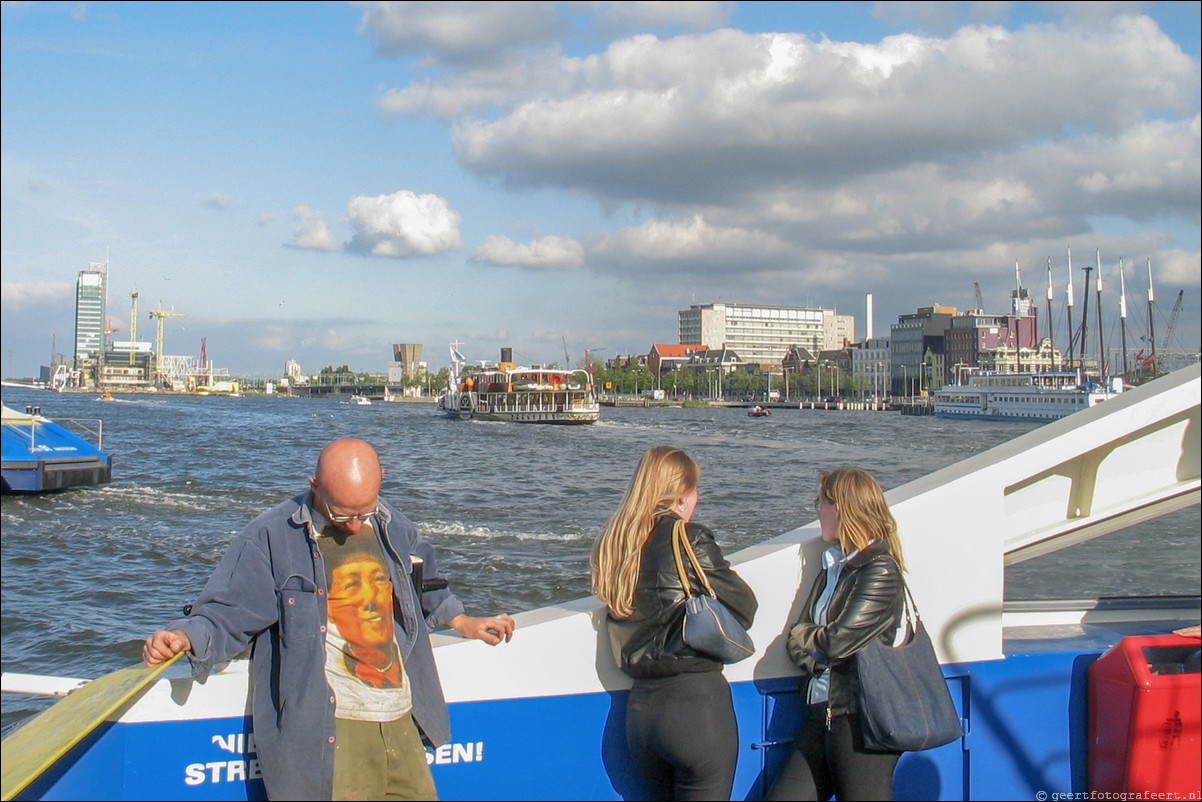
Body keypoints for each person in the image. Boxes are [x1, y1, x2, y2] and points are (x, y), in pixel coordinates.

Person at [143, 438, 516, 801]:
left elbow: (426, 583)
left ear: (381, 480)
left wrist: (462, 620)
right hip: (333, 731)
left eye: (363, 512)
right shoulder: (270, 537)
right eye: (341, 514)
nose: (354, 525)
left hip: (403, 718)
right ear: (314, 486)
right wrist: (184, 637)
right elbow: (227, 612)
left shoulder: (392, 525)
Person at [591, 446, 757, 801]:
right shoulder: (688, 537)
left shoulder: (616, 544)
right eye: (695, 490)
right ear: (681, 496)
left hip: (641, 715)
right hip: (696, 706)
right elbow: (744, 607)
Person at [765, 468, 906, 801]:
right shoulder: (833, 567)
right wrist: (817, 655)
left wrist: (814, 641)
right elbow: (795, 640)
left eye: (821, 503)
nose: (818, 511)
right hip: (821, 713)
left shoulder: (879, 569)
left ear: (841, 508)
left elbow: (835, 642)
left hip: (860, 721)